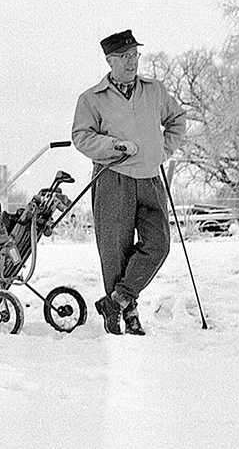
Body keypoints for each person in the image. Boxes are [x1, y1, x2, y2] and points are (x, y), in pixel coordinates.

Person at [72, 30, 187, 335]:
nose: (131, 62)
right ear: (109, 61)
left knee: (159, 243)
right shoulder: (91, 99)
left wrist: (162, 150)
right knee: (114, 251)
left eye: (134, 55)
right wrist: (113, 147)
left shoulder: (154, 90)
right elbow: (81, 137)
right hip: (113, 178)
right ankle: (127, 316)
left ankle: (118, 299)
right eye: (124, 57)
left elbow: (177, 120)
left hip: (150, 178)